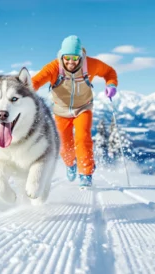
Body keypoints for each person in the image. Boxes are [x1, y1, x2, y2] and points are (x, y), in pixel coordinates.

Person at [31, 35, 118, 187]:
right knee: (64, 145)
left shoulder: (90, 64)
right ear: (62, 56)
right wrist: (24, 92)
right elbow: (35, 82)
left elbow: (109, 72)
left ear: (81, 57)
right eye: (67, 58)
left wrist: (111, 85)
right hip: (61, 111)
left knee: (82, 138)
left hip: (83, 108)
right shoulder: (53, 68)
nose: (71, 62)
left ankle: (86, 173)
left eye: (75, 58)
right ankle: (70, 164)